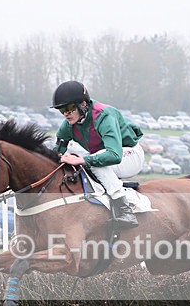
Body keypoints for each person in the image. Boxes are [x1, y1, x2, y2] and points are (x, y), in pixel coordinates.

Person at [52, 80, 145, 228]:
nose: (66, 114)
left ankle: (124, 210)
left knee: (93, 164)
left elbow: (114, 155)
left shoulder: (104, 116)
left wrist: (83, 159)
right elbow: (54, 155)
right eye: (62, 110)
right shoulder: (67, 126)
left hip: (129, 154)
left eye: (69, 108)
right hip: (108, 157)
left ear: (83, 104)